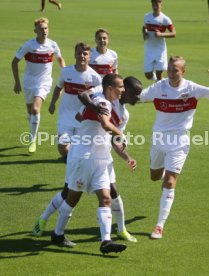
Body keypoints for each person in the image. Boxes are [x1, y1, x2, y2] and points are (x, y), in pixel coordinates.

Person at [32, 76, 143, 243]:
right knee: (69, 193)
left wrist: (126, 156)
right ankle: (47, 221)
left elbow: (111, 136)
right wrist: (93, 115)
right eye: (133, 93)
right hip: (82, 154)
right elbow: (87, 107)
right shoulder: (100, 98)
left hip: (101, 156)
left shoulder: (123, 113)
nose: (135, 97)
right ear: (116, 88)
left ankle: (114, 234)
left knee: (109, 193)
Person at [139, 56, 209, 239]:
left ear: (183, 72)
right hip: (158, 140)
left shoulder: (191, 88)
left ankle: (159, 226)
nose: (171, 73)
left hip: (179, 142)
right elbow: (139, 97)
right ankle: (164, 173)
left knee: (169, 182)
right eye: (169, 69)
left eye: (175, 70)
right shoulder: (159, 86)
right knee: (155, 177)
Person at [51, 74, 128, 254]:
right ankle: (57, 234)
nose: (123, 90)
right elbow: (105, 123)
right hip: (84, 157)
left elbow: (80, 117)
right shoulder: (103, 103)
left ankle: (106, 241)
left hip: (99, 158)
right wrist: (120, 134)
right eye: (121, 86)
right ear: (110, 88)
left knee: (106, 198)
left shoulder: (98, 100)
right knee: (73, 198)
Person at [11, 17, 65, 153]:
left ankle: (32, 139)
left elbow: (60, 60)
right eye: (41, 29)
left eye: (46, 28)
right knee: (30, 111)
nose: (44, 31)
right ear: (35, 31)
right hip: (29, 82)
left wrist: (65, 78)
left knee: (35, 109)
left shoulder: (53, 45)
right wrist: (17, 82)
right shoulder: (28, 45)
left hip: (44, 82)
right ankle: (32, 130)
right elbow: (14, 62)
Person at [48, 42, 102, 158]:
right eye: (79, 53)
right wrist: (52, 103)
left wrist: (91, 94)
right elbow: (58, 88)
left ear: (89, 56)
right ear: (75, 55)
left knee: (81, 150)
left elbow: (101, 92)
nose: (82, 55)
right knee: (63, 148)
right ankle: (71, 159)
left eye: (85, 53)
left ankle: (73, 162)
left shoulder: (94, 77)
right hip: (65, 117)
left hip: (82, 118)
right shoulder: (66, 71)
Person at [142, 0, 176, 81]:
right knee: (148, 74)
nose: (155, 5)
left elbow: (174, 33)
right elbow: (145, 34)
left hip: (160, 50)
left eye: (158, 3)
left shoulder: (165, 19)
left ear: (161, 4)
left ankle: (161, 90)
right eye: (153, 3)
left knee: (159, 74)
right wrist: (144, 32)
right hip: (149, 49)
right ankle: (159, 83)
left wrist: (161, 34)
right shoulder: (146, 16)